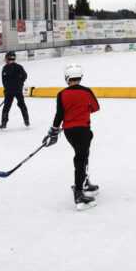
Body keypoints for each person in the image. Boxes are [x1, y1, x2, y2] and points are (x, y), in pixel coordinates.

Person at [43, 63, 100, 210]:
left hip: (69, 132)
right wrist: (82, 110)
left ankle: (85, 182)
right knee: (81, 157)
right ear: (80, 77)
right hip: (84, 130)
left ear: (67, 78)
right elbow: (96, 107)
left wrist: (54, 130)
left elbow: (59, 115)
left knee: (82, 155)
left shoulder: (61, 94)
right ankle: (79, 193)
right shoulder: (87, 91)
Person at [0, 51, 30, 129]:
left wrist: (7, 88)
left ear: (7, 58)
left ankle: (3, 122)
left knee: (6, 107)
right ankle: (26, 120)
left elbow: (3, 81)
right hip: (18, 90)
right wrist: (20, 83)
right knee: (22, 104)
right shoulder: (19, 67)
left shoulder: (5, 68)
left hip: (9, 91)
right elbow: (25, 76)